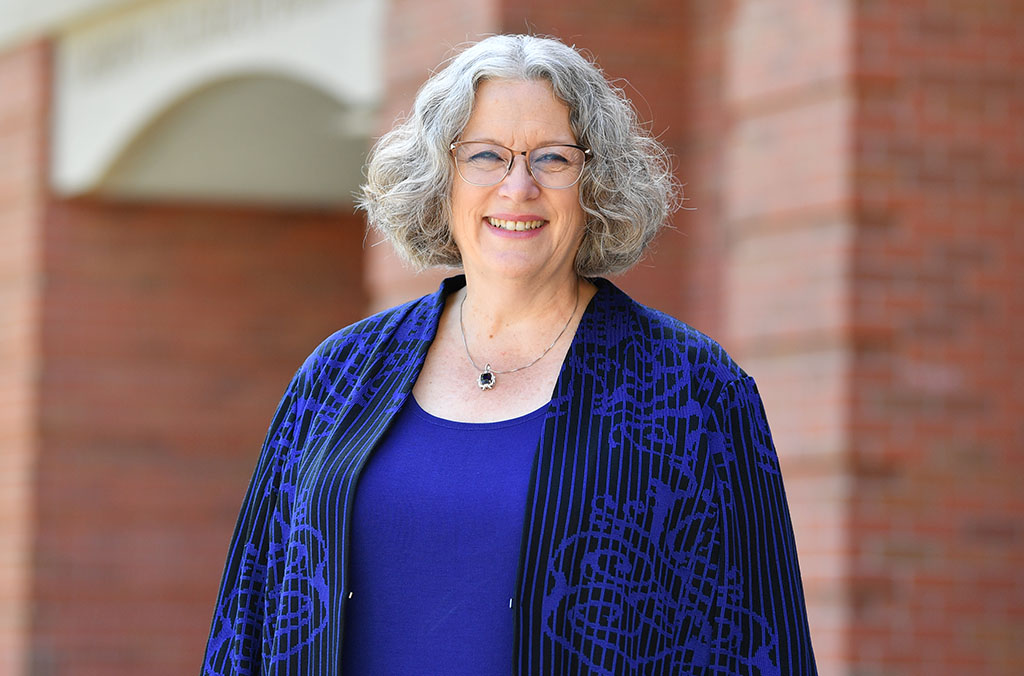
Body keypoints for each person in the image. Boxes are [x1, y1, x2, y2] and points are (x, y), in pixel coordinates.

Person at [201, 34, 817, 676]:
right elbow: (246, 620)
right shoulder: (337, 378)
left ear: (596, 183)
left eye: (552, 158)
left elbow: (759, 644)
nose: (517, 187)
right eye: (486, 155)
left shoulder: (694, 393)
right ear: (442, 178)